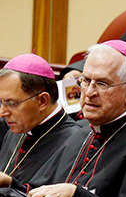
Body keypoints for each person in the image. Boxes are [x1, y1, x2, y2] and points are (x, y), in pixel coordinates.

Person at [0, 40, 126, 197]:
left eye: (101, 83)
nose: (89, 92)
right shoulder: (81, 134)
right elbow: (40, 195)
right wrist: (11, 185)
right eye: (85, 80)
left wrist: (76, 195)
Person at [0, 54, 80, 183]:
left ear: (42, 100)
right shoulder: (16, 130)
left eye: (11, 103)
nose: (2, 113)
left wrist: (10, 184)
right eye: (1, 102)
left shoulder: (74, 142)